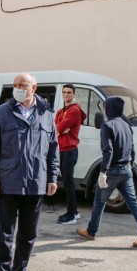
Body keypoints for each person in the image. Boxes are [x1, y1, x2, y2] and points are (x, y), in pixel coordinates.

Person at [0, 73, 59, 271]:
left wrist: (52, 177)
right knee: (5, 235)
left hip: (36, 184)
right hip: (8, 184)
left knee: (28, 234)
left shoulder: (46, 114)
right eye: (15, 85)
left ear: (33, 88)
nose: (18, 88)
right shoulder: (2, 113)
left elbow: (53, 149)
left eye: (23, 85)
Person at [76, 97, 137, 248]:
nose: (104, 109)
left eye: (105, 106)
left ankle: (91, 232)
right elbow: (132, 148)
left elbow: (108, 150)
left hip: (111, 170)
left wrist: (103, 171)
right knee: (134, 203)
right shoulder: (126, 125)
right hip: (126, 169)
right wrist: (130, 162)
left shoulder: (107, 125)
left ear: (109, 108)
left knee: (99, 202)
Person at [55, 84, 87, 225]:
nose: (66, 95)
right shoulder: (61, 111)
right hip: (61, 150)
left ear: (74, 95)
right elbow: (55, 127)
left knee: (68, 183)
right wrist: (60, 129)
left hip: (69, 150)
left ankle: (71, 214)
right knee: (67, 182)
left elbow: (58, 127)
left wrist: (61, 129)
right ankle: (75, 211)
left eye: (69, 92)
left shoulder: (74, 110)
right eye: (64, 92)